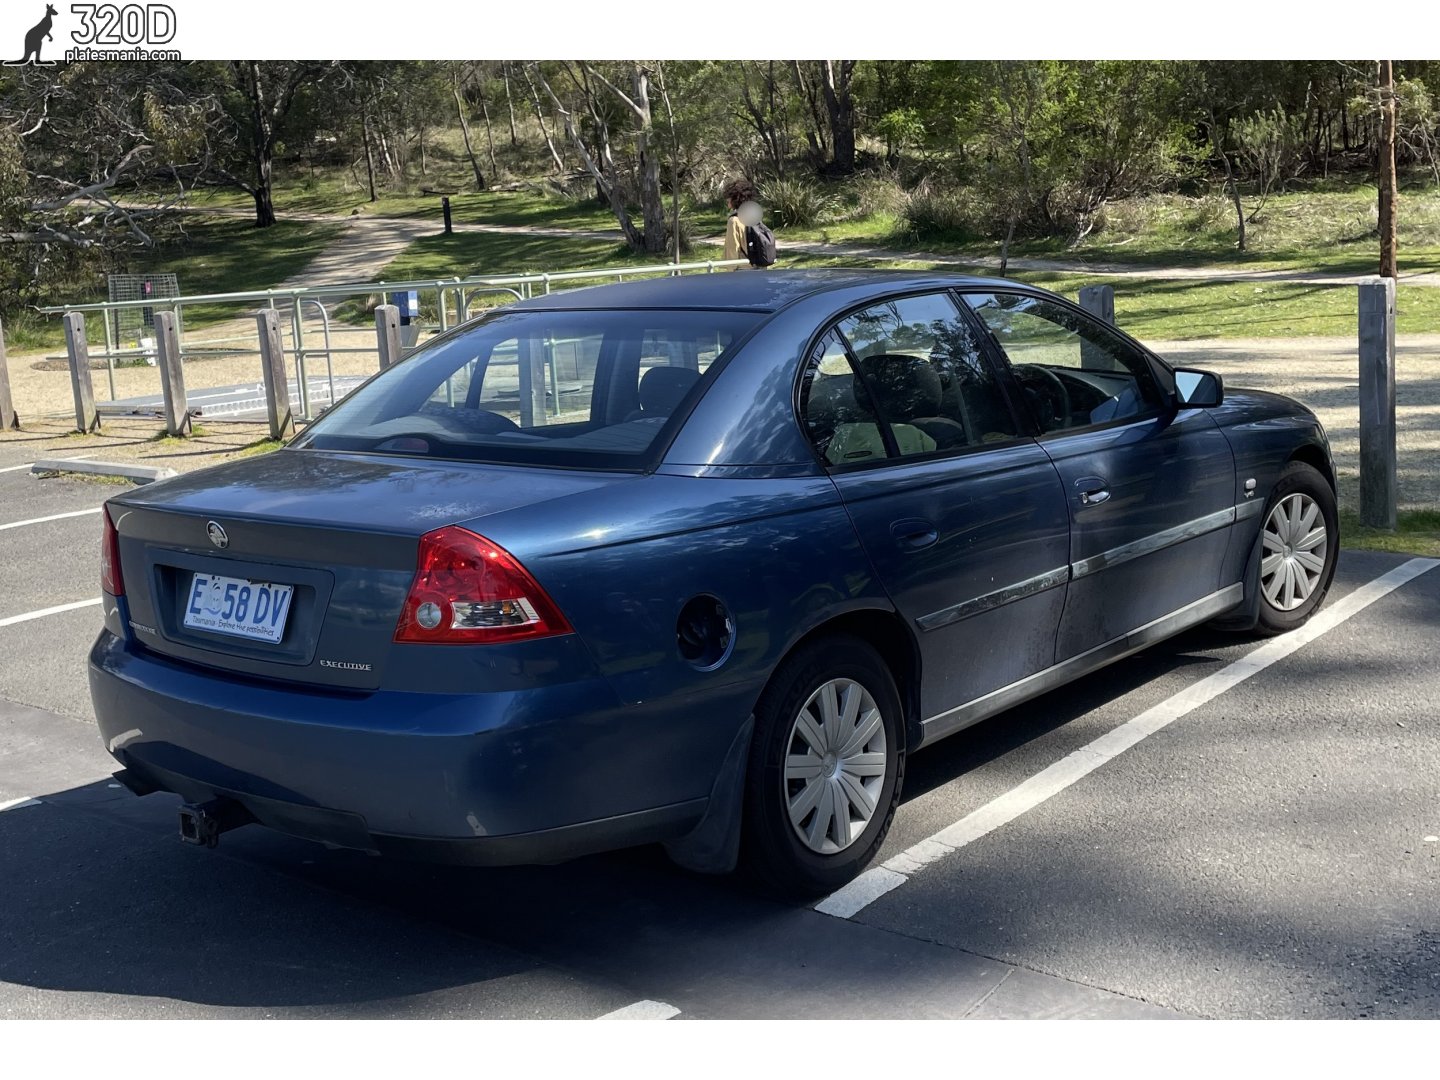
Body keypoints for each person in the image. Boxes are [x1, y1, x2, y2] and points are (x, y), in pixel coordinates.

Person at [721, 178, 768, 270]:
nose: (727, 201)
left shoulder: (734, 221)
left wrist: (730, 271)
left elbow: (733, 249)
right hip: (760, 266)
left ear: (735, 198)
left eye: (729, 198)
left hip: (743, 268)